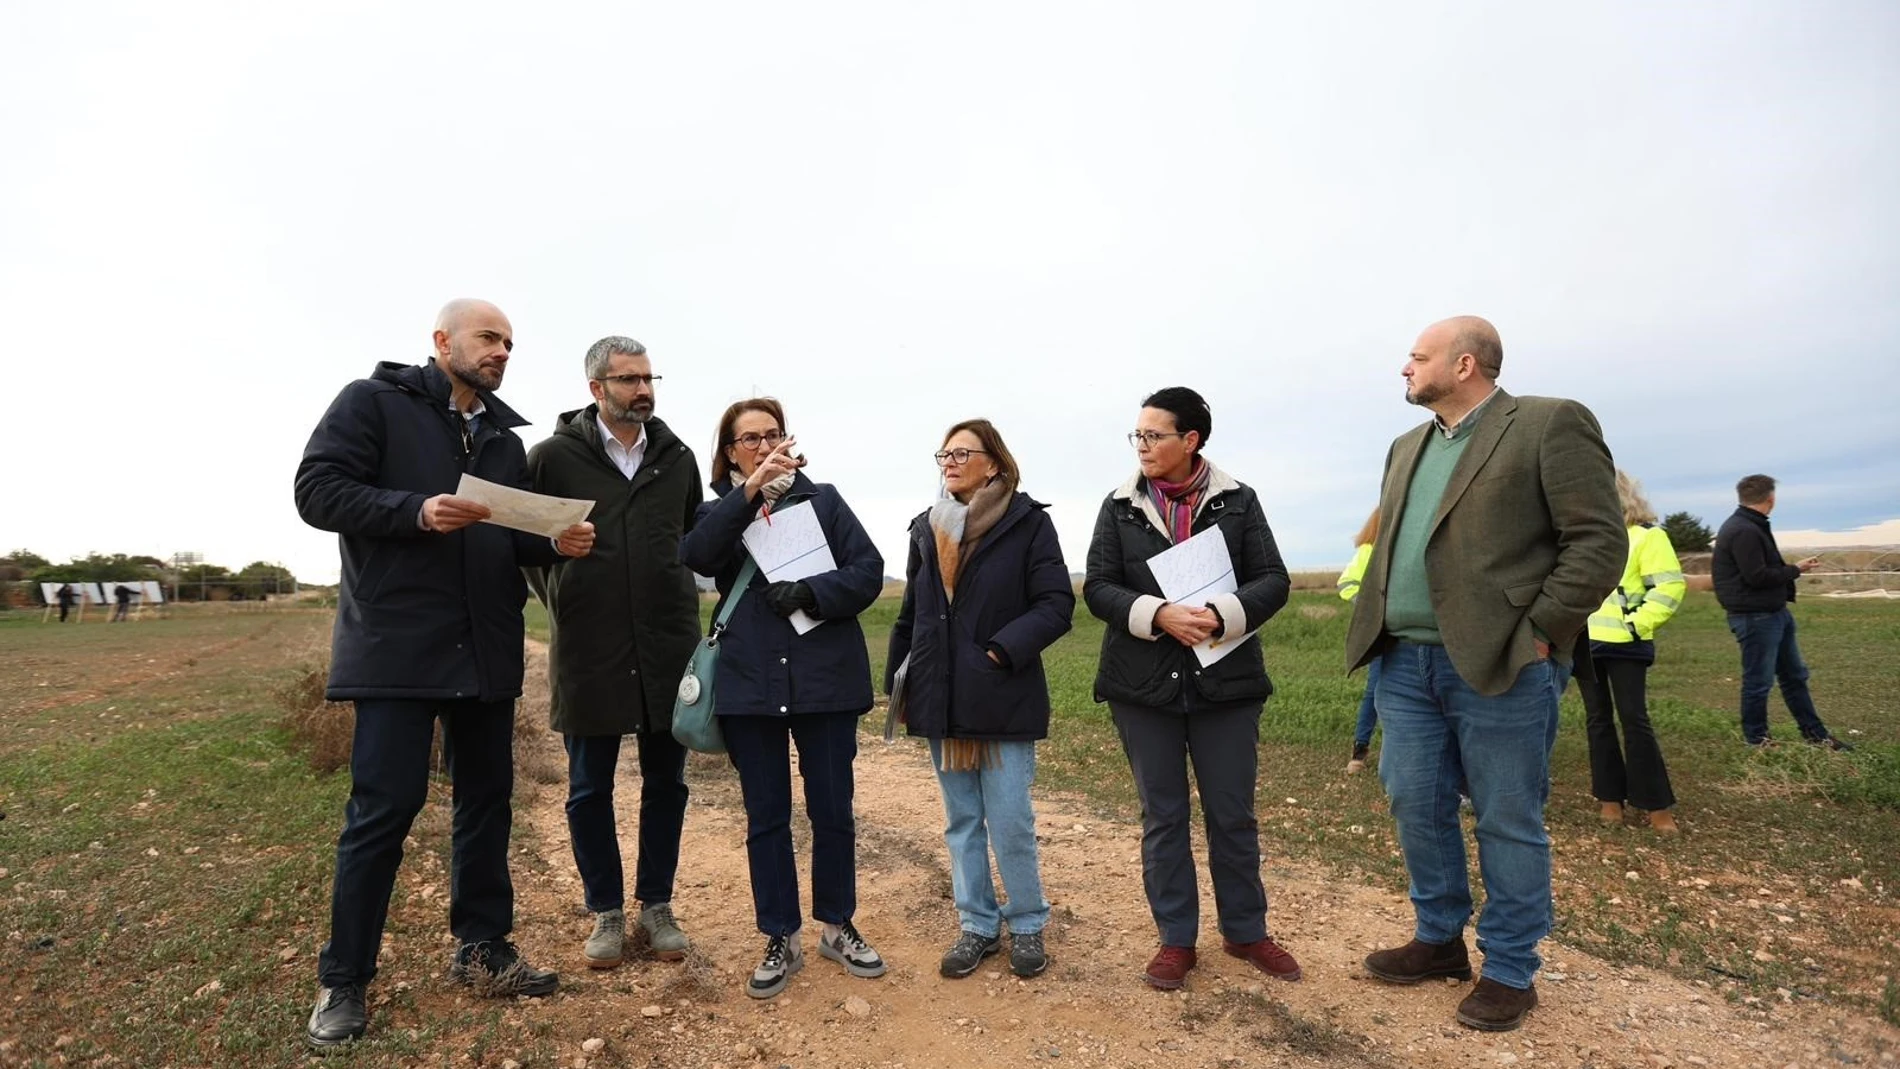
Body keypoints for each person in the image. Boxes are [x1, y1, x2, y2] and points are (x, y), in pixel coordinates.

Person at [293, 299, 597, 1048]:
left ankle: (482, 948)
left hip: (486, 653)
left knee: (487, 805)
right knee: (383, 811)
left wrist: (557, 542)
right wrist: (416, 510)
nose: (501, 351)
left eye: (510, 343)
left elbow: (500, 540)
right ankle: (345, 979)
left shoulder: (500, 438)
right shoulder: (372, 403)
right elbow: (316, 491)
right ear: (442, 341)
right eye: (489, 338)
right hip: (398, 650)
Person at [1344, 315, 1623, 1032]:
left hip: (1503, 663)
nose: (1405, 369)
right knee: (1415, 801)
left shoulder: (1548, 423)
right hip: (1404, 663)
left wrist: (1540, 633)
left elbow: (1596, 540)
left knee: (1506, 815)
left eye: (1417, 356)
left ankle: (1508, 968)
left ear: (1465, 364)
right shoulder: (1406, 446)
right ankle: (1439, 939)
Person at [1083, 386, 1301, 991]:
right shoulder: (1119, 506)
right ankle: (1176, 941)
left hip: (1226, 685)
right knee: (1164, 816)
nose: (1143, 447)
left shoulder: (1238, 501)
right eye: (1139, 436)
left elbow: (1274, 581)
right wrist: (1156, 614)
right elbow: (1098, 587)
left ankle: (1246, 932)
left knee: (1232, 815)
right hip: (1142, 688)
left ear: (1191, 441)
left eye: (1154, 436)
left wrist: (1221, 612)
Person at [678, 398, 887, 1000]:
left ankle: (837, 924)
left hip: (825, 682)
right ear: (729, 451)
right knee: (766, 816)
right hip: (749, 682)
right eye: (750, 439)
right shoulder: (717, 510)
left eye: (774, 435)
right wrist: (749, 494)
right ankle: (779, 933)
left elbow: (868, 571)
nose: (765, 446)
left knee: (832, 810)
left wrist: (811, 592)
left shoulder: (823, 501)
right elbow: (697, 555)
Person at [526, 336, 704, 970]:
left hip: (667, 645)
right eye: (629, 379)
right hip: (589, 646)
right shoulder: (549, 459)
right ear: (596, 388)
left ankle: (656, 906)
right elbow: (529, 549)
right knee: (587, 788)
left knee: (667, 785)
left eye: (650, 377)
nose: (644, 390)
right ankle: (605, 910)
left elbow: (690, 535)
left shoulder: (677, 458)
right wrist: (567, 599)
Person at [887, 419, 1075, 980]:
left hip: (1001, 695)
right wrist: (899, 680)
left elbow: (1055, 603)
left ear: (993, 462)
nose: (948, 460)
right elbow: (911, 612)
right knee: (962, 820)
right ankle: (976, 926)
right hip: (941, 697)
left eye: (961, 452)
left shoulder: (1028, 523)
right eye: (943, 452)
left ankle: (1026, 926)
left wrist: (998, 652)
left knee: (1010, 819)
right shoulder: (927, 527)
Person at [1711, 474, 1852, 751]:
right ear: (1771, 499)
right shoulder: (1744, 530)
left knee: (1794, 677)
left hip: (1773, 613)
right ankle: (1757, 741)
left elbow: (1756, 571)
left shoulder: (1749, 526)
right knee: (1758, 682)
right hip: (1756, 617)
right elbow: (1757, 577)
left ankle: (1816, 736)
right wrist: (1795, 570)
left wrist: (1793, 567)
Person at [1581, 471, 1687, 834]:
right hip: (1585, 645)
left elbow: (1669, 589)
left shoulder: (1648, 537)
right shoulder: (1583, 540)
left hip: (1627, 646)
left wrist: (1634, 625)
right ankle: (1610, 800)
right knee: (1597, 721)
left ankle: (1657, 806)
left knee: (1634, 720)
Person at [1337, 509, 1381, 774]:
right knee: (1375, 691)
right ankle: (1360, 750)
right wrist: (1373, 610)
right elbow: (1347, 584)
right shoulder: (1369, 551)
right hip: (1384, 634)